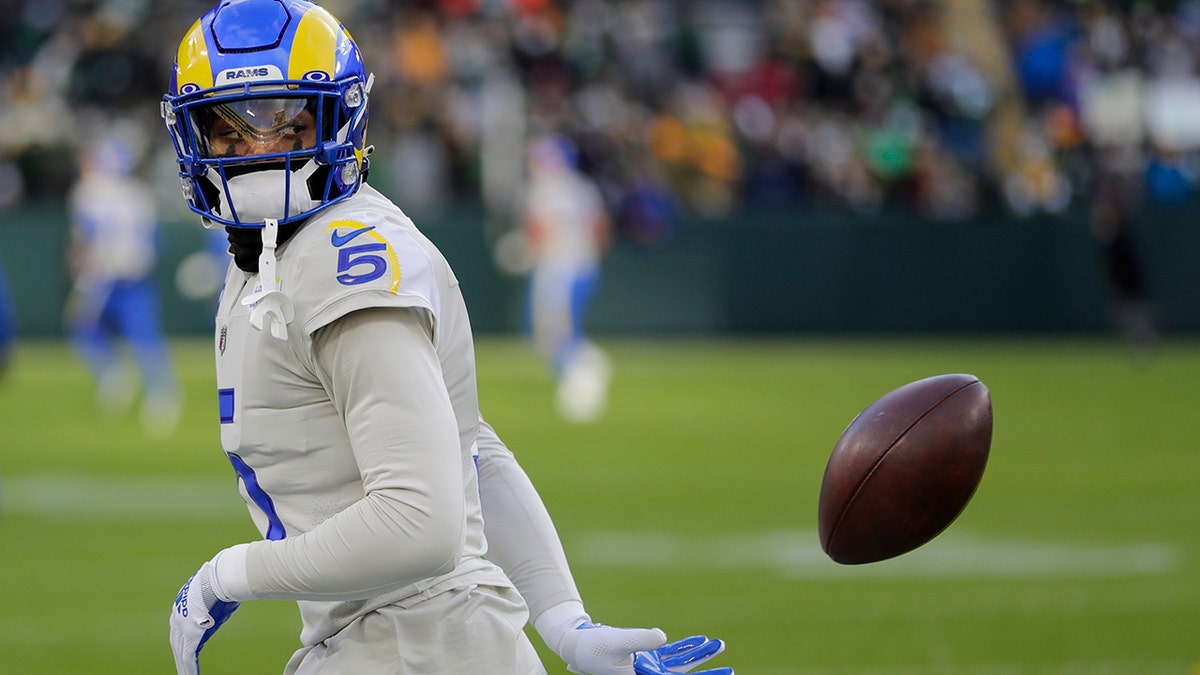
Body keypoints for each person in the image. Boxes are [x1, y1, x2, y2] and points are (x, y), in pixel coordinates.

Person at [161, 2, 733, 674]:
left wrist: (227, 574)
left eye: (286, 119)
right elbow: (470, 449)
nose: (256, 149)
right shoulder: (271, 250)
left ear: (339, 116)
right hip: (426, 638)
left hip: (414, 645)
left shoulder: (338, 258)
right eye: (227, 127)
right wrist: (563, 619)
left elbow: (419, 522)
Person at [65, 132, 181, 436]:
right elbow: (155, 242)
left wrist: (83, 272)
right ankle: (151, 391)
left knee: (93, 330)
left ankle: (134, 384)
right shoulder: (139, 194)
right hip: (132, 273)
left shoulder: (88, 193)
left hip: (107, 275)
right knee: (137, 337)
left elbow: (85, 241)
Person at [521, 133, 614, 422]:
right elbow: (601, 228)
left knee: (551, 333)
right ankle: (583, 367)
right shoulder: (583, 188)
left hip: (558, 269)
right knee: (550, 332)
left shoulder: (543, 191)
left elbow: (538, 231)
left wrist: (526, 252)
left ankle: (585, 372)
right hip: (582, 266)